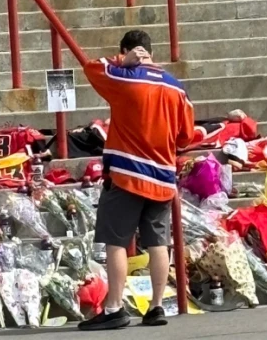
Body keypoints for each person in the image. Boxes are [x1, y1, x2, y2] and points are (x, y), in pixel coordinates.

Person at [78, 30, 194, 330]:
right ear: (152, 51)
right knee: (157, 242)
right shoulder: (176, 88)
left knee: (116, 241)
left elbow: (91, 66)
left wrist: (121, 61)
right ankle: (156, 306)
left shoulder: (123, 77)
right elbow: (186, 136)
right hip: (164, 176)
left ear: (128, 50)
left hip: (127, 174)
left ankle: (114, 306)